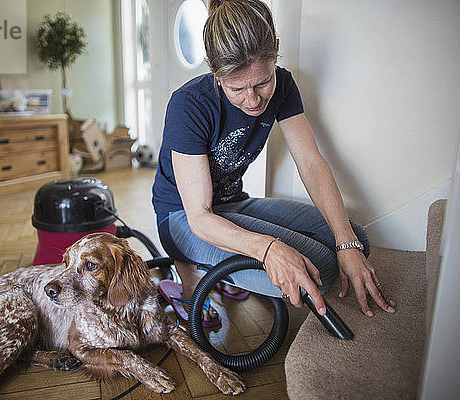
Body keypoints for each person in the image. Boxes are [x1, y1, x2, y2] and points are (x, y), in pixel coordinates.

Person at [152, 0, 396, 325]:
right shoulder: (189, 104)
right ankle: (193, 280)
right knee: (320, 265)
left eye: (262, 83)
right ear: (213, 69)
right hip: (184, 217)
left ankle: (223, 269)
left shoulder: (285, 85)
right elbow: (199, 215)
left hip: (232, 203)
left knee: (355, 239)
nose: (252, 100)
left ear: (276, 51)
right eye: (237, 88)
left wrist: (346, 243)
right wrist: (268, 249)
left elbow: (310, 162)